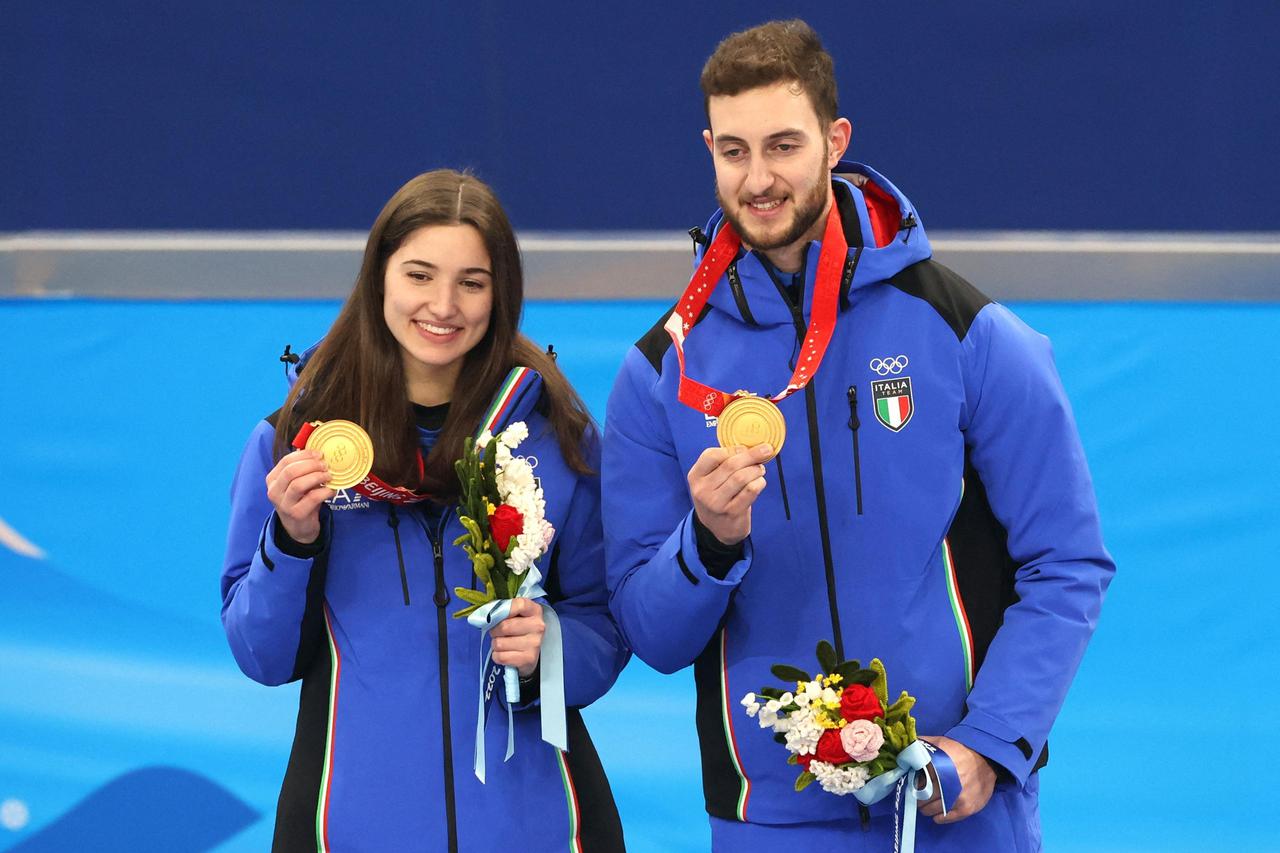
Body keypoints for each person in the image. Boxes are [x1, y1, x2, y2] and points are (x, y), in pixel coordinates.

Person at [602, 19, 1113, 851]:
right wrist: (710, 543)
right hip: (772, 818)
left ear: (836, 141)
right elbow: (652, 635)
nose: (758, 178)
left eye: (783, 145)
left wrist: (991, 747)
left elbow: (1068, 559)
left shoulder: (963, 328)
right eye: (733, 151)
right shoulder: (663, 369)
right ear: (708, 148)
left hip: (956, 801)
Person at [222, 170, 629, 852]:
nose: (444, 305)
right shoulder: (295, 440)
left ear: (501, 294)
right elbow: (260, 654)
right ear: (379, 276)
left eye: (472, 281)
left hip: (539, 828)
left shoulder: (558, 437)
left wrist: (550, 652)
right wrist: (292, 540)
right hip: (349, 826)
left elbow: (605, 622)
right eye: (419, 274)